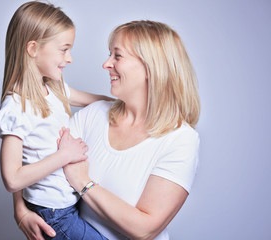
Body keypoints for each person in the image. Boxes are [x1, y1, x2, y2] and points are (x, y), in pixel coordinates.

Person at [15, 19, 201, 240]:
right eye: (109, 54)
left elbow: (145, 228)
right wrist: (20, 211)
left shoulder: (181, 140)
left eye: (117, 56)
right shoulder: (94, 114)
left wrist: (83, 182)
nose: (106, 64)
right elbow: (33, 152)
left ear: (150, 67)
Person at [0, 1, 111, 239]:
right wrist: (64, 156)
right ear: (33, 48)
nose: (69, 58)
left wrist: (128, 103)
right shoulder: (17, 107)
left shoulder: (55, 89)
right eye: (64, 49)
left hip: (71, 203)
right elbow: (12, 179)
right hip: (54, 214)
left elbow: (95, 100)